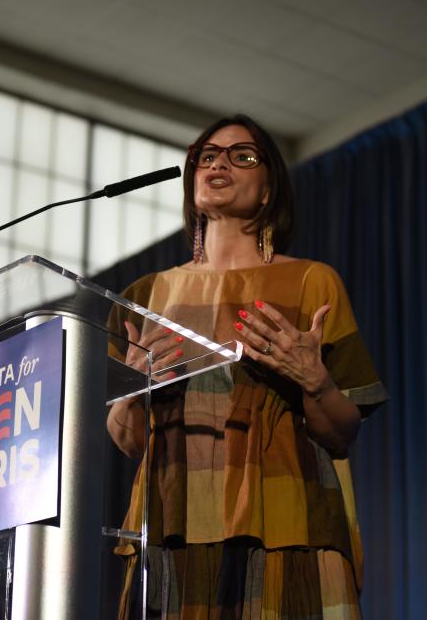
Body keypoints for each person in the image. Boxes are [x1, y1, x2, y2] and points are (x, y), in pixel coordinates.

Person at [106, 114, 387, 619]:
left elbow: (343, 433)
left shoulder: (312, 283)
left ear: (267, 192)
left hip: (288, 523)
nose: (218, 163)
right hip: (175, 521)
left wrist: (314, 380)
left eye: (242, 156)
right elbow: (128, 441)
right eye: (206, 156)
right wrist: (132, 392)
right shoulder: (144, 297)